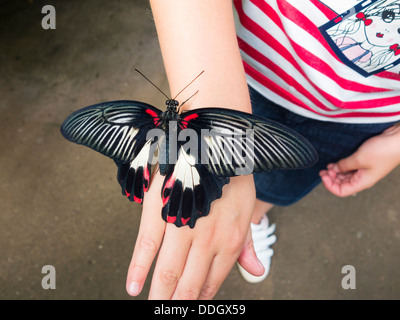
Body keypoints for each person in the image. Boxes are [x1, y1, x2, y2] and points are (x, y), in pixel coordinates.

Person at [125, 0, 400, 299]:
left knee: (281, 182)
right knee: (220, 189)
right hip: (251, 79)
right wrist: (217, 124)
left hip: (361, 120)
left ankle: (253, 217)